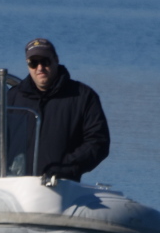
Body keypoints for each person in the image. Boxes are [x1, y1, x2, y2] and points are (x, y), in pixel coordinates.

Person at [7, 38, 110, 182]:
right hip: (16, 184)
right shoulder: (13, 97)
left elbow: (98, 142)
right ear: (28, 65)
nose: (40, 67)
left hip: (61, 188)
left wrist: (65, 167)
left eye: (45, 61)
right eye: (33, 63)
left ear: (56, 59)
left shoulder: (83, 96)